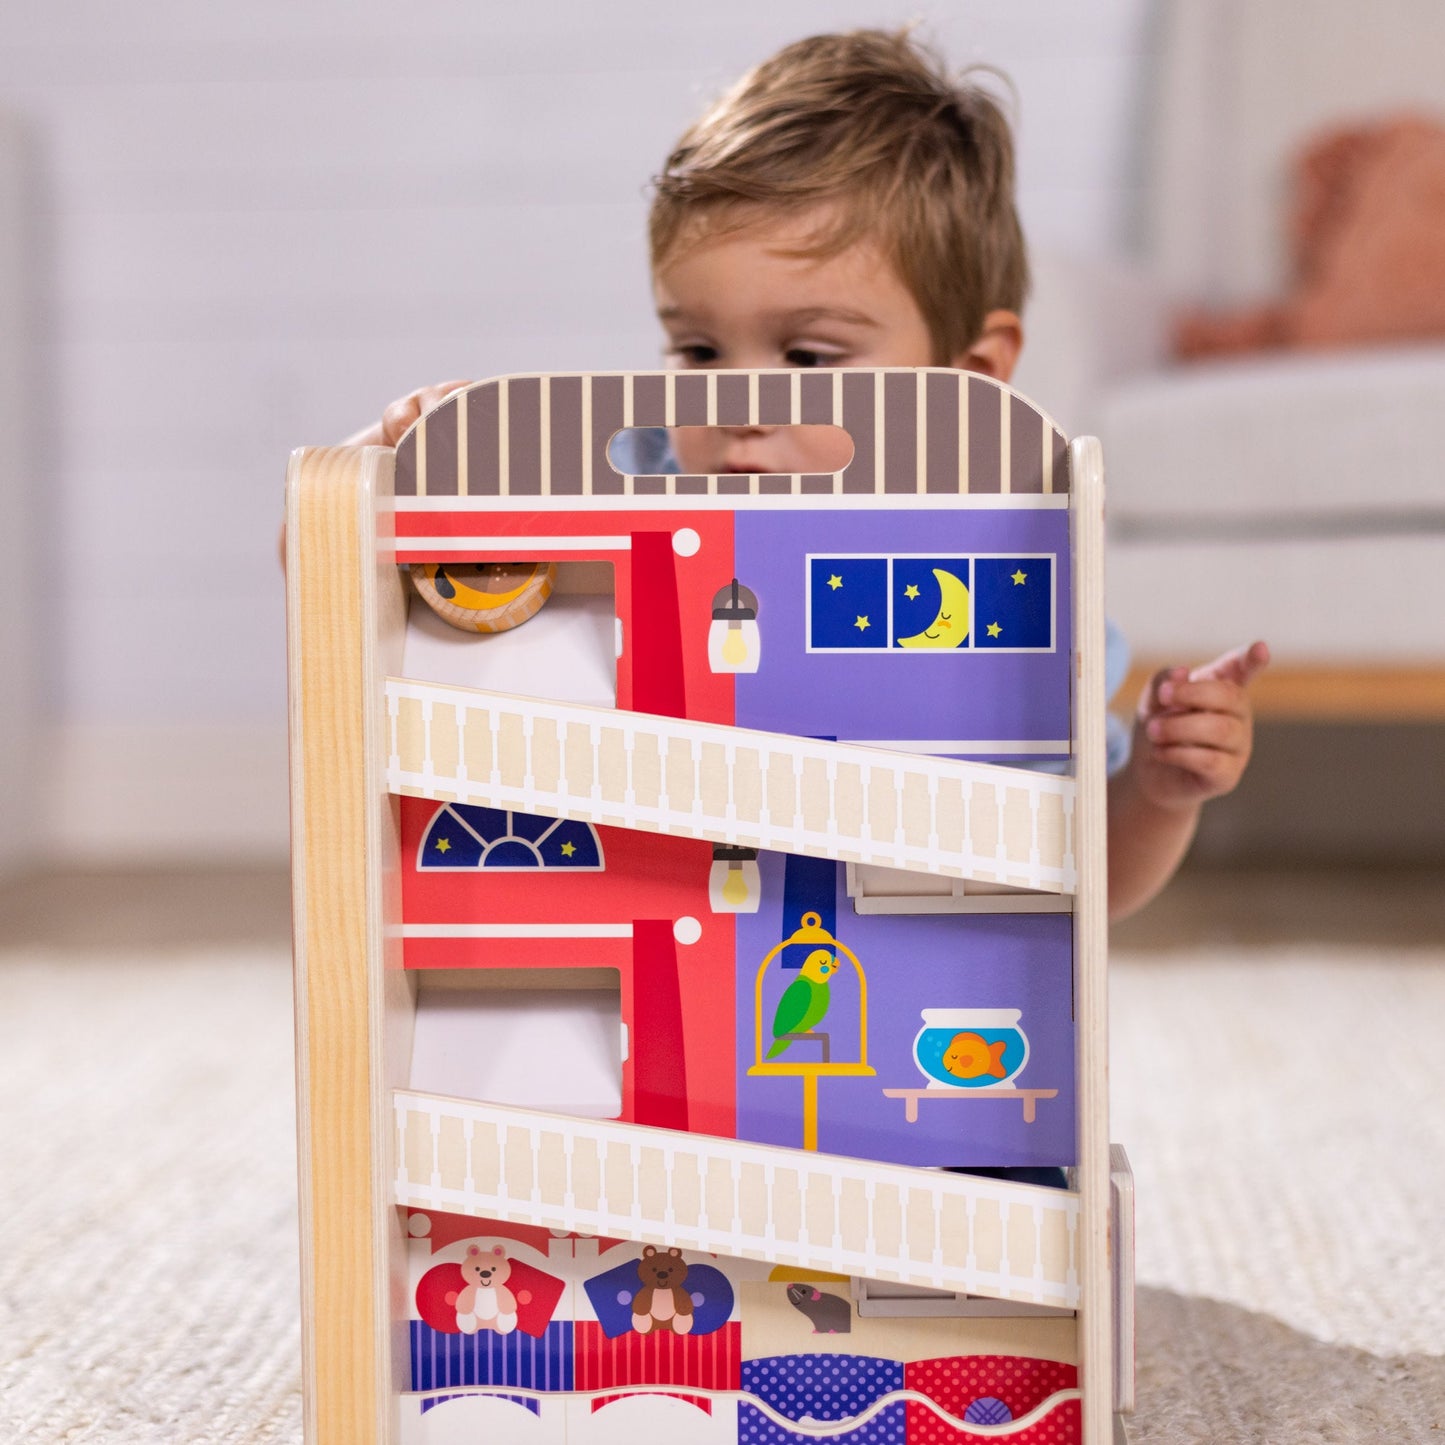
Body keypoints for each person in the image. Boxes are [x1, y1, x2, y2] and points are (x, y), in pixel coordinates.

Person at [351, 28, 1269, 920]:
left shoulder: (999, 583)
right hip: (639, 961)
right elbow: (353, 588)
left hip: (898, 989)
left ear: (971, 377)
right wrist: (397, 461)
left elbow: (1082, 881)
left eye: (807, 358)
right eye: (698, 350)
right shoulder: (635, 483)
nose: (737, 405)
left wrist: (1160, 793)